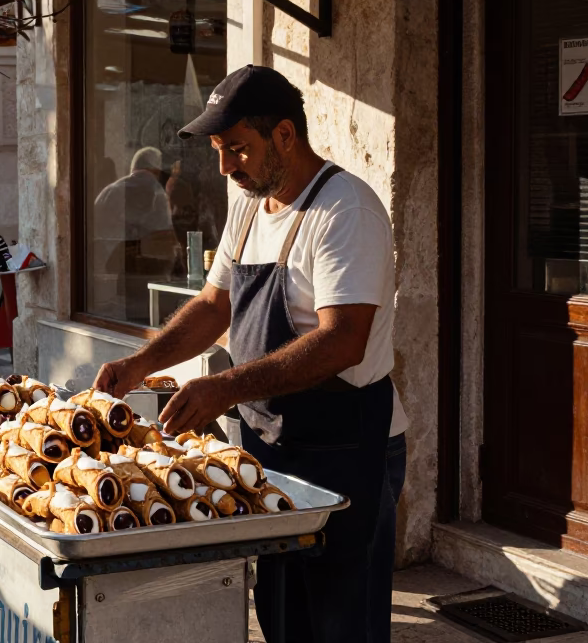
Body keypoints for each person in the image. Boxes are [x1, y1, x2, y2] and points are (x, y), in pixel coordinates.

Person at [92, 65, 408, 643]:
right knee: (284, 611)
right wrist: (140, 365)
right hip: (269, 444)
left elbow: (343, 340)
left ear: (284, 135)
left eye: (236, 148)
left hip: (346, 446)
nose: (224, 167)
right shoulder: (247, 205)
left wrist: (225, 387)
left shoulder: (345, 211)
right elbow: (214, 305)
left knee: (342, 617)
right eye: (218, 150)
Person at [92, 147, 181, 322]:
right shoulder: (156, 192)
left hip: (105, 280)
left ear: (133, 167)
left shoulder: (108, 191)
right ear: (156, 170)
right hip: (143, 277)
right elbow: (162, 237)